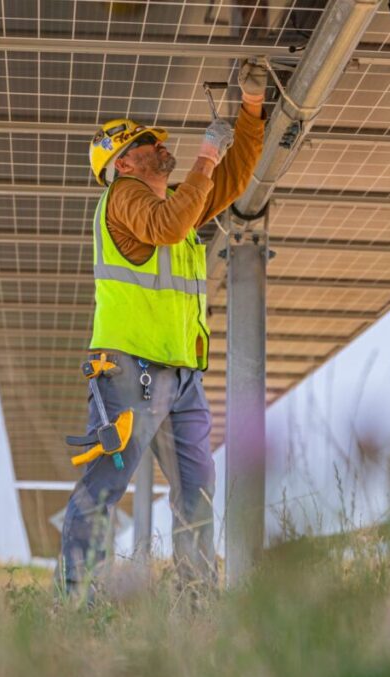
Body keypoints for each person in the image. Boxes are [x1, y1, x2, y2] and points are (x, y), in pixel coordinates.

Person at [59, 59, 268, 596]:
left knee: (196, 495)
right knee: (105, 487)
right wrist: (205, 156)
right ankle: (77, 600)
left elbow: (231, 180)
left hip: (180, 377)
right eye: (146, 143)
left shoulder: (172, 201)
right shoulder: (123, 198)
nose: (158, 145)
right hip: (130, 372)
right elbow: (170, 225)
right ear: (124, 162)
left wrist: (251, 108)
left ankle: (197, 600)